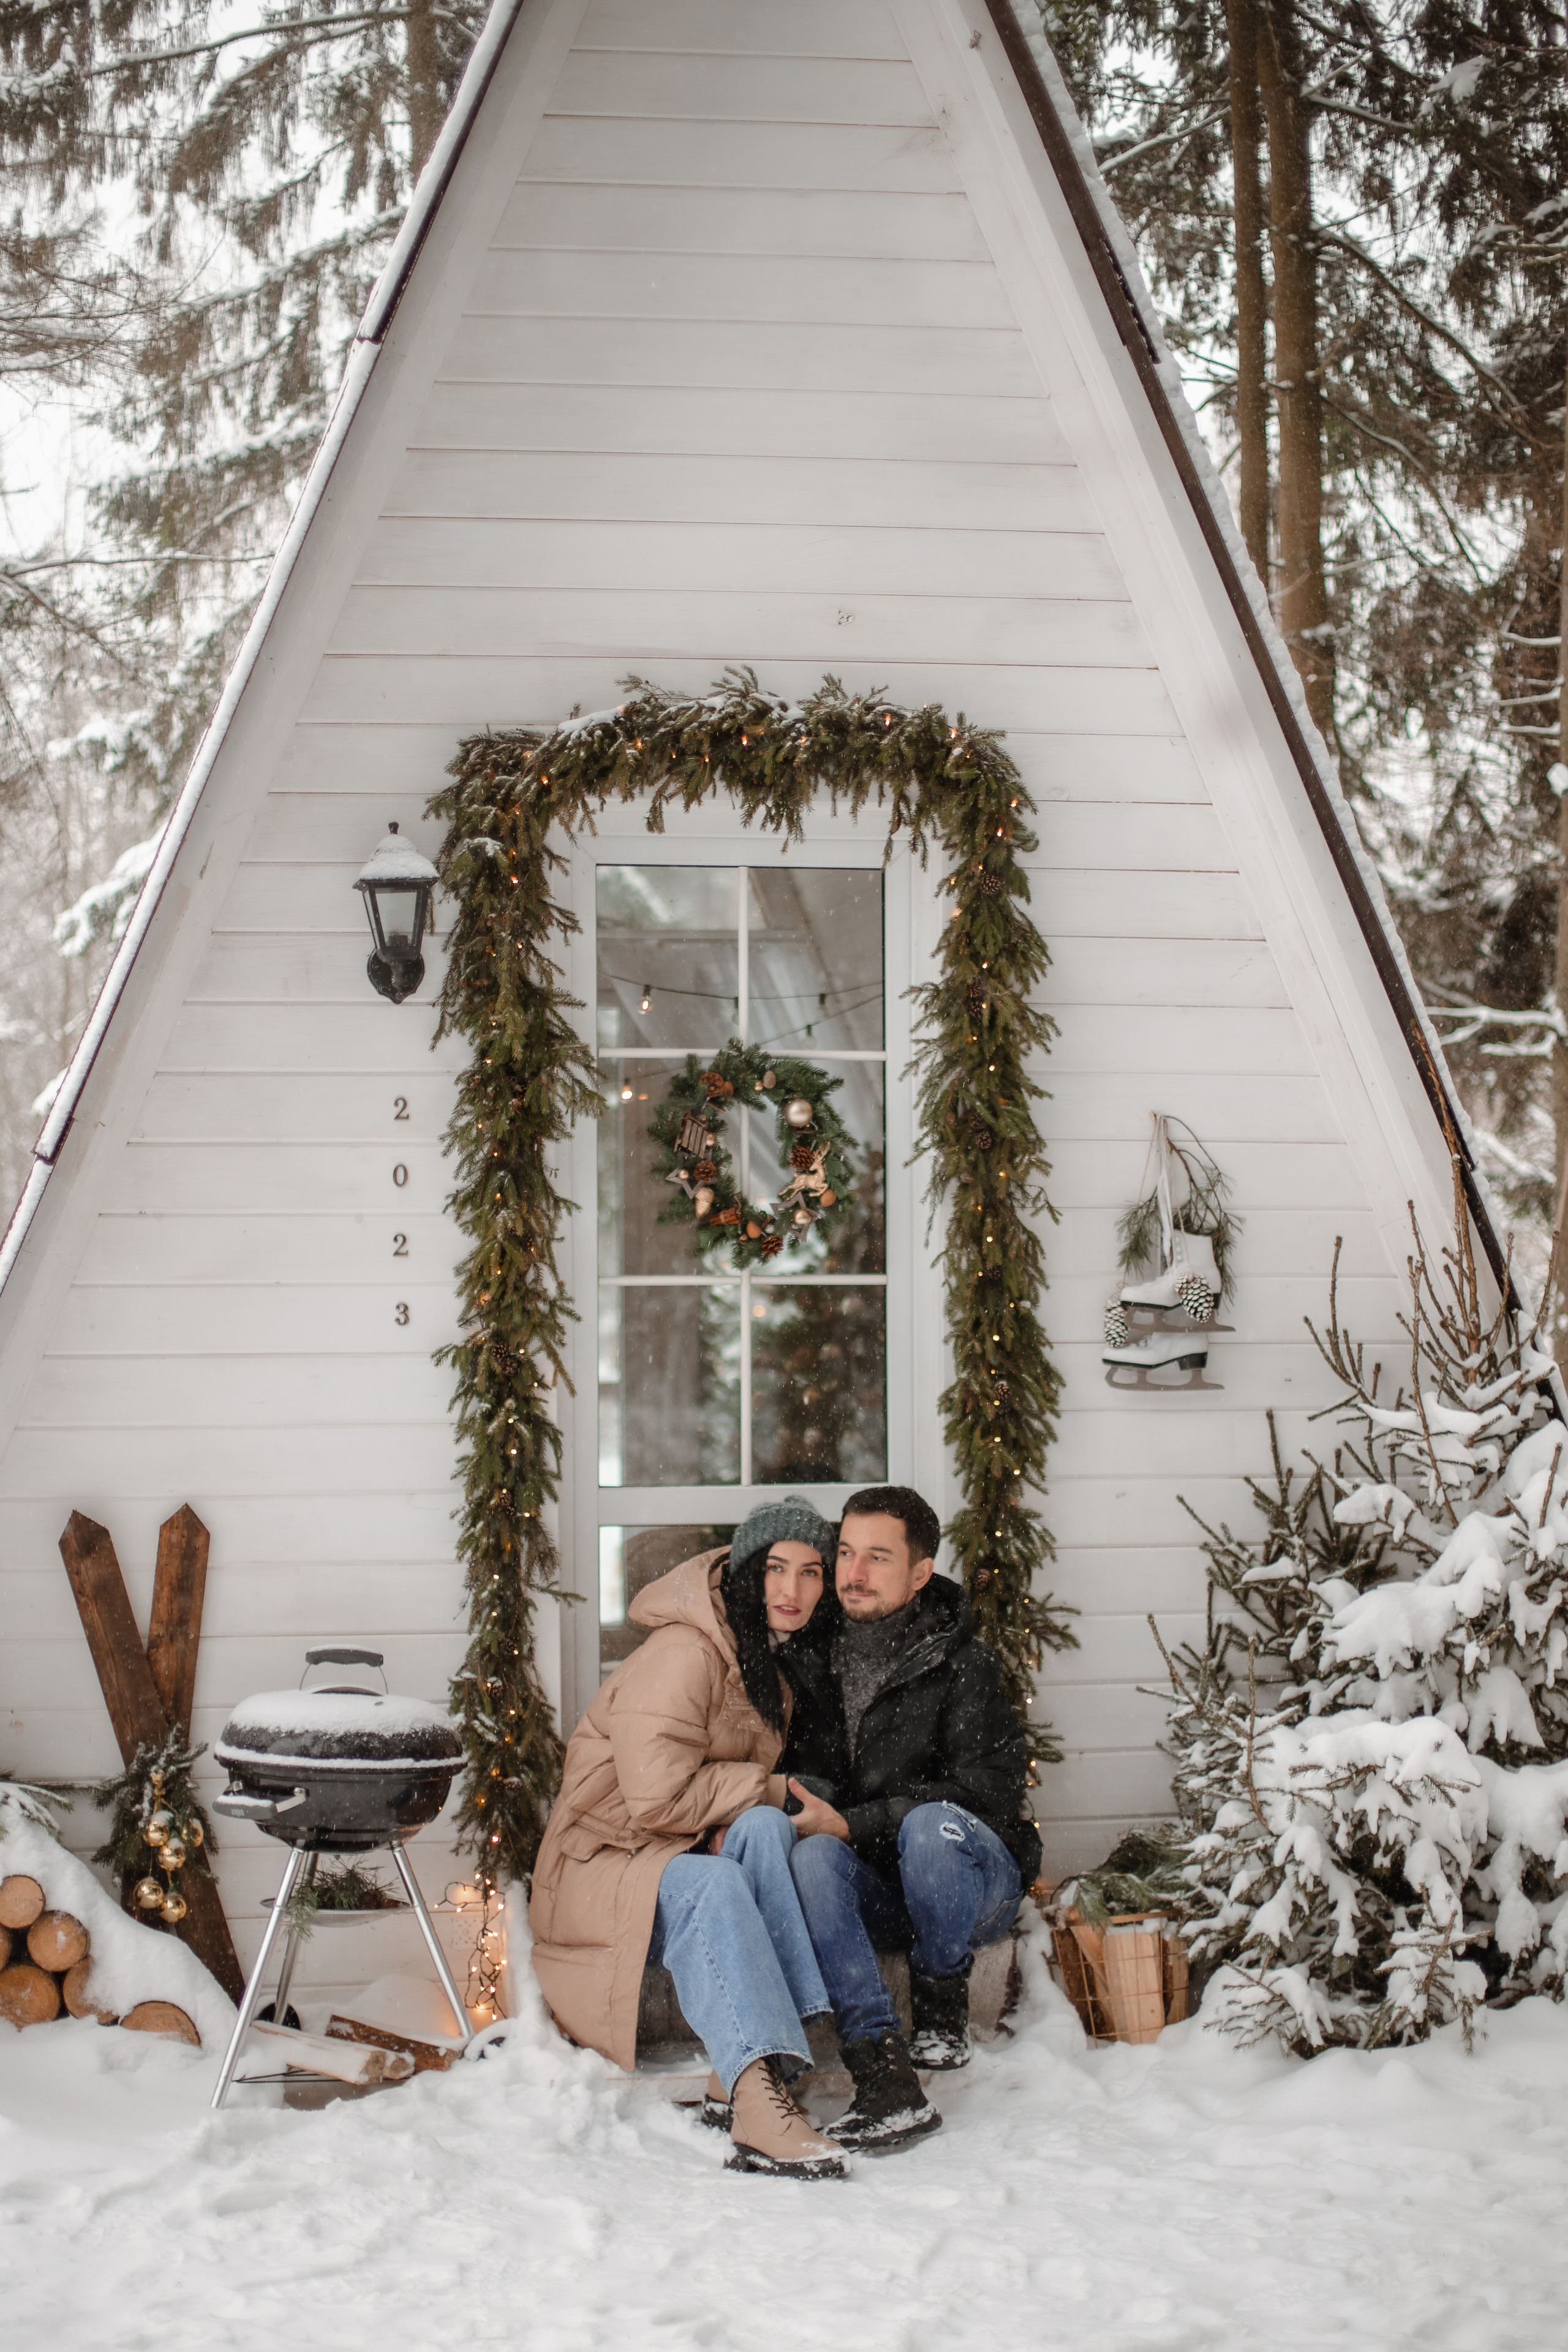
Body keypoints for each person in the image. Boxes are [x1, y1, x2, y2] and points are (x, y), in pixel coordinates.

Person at [529, 1495, 849, 2179]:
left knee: (765, 1826)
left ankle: (753, 2069)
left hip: (660, 1851)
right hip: (601, 1863)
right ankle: (757, 2102)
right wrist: (768, 1786)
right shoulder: (685, 1652)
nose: (793, 1590)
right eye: (776, 1568)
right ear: (746, 1572)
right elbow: (656, 1799)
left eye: (811, 1572)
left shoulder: (758, 1660)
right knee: (720, 1874)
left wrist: (766, 1800)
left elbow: (722, 1796)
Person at [786, 1484, 1043, 2155]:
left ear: (921, 1572)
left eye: (877, 1557)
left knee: (931, 1828)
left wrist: (858, 1822)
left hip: (968, 1886)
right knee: (811, 1857)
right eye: (845, 1553)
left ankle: (940, 2002)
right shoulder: (812, 1659)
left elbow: (988, 1792)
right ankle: (880, 2067)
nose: (853, 1573)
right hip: (879, 1890)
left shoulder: (964, 1664)